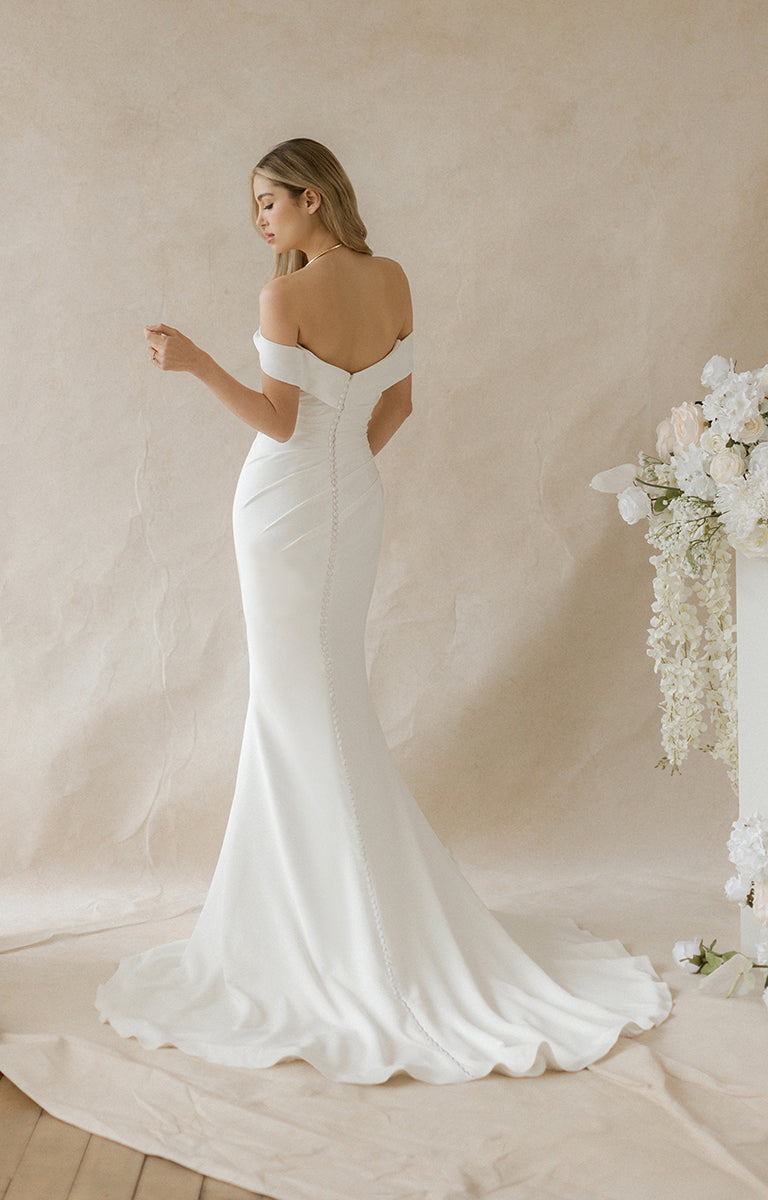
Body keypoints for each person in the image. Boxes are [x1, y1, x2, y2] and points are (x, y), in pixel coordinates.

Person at [96, 138, 672, 1083]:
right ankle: (330, 906)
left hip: (283, 507)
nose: (259, 222)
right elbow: (397, 404)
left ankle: (317, 926)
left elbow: (282, 421)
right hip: (350, 501)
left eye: (268, 203)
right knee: (321, 696)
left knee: (294, 703)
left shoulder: (282, 296)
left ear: (313, 197)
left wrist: (197, 362)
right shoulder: (394, 277)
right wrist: (343, 469)